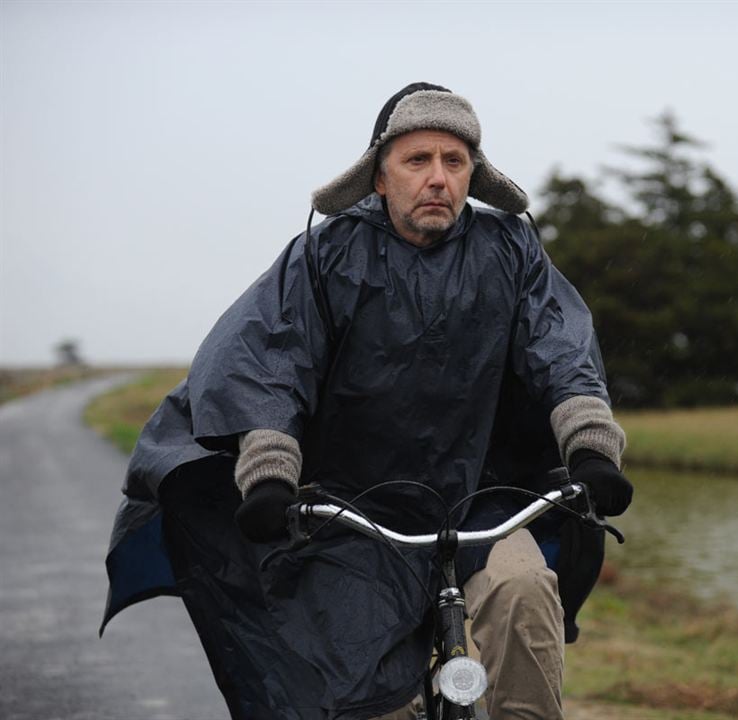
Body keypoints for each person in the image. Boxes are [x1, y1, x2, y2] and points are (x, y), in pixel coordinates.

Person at [101, 82, 632, 720]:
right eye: (417, 161)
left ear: (473, 175)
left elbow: (562, 350)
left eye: (454, 162)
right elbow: (271, 361)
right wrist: (270, 471)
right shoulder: (324, 256)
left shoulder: (511, 250)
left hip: (482, 497)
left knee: (524, 592)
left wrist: (592, 447)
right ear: (380, 178)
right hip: (354, 508)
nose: (438, 177)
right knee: (366, 695)